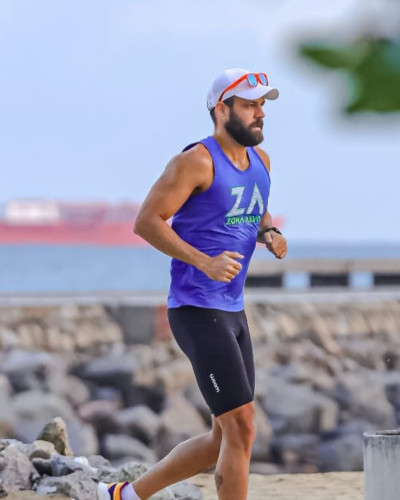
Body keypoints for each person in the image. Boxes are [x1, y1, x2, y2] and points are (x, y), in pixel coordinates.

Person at [98, 68, 287, 500]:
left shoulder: (262, 161)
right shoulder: (196, 161)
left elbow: (255, 207)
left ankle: (123, 495)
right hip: (197, 310)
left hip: (233, 310)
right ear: (222, 109)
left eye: (263, 105)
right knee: (243, 428)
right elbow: (146, 222)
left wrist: (269, 233)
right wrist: (204, 262)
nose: (260, 114)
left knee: (224, 439)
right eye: (250, 105)